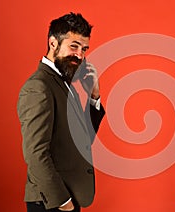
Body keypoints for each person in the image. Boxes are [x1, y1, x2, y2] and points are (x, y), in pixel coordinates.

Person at [17, 12, 105, 212]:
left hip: (67, 197)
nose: (80, 55)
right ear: (53, 43)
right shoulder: (39, 86)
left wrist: (94, 95)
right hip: (52, 201)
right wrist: (63, 202)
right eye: (73, 46)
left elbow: (82, 140)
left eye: (84, 49)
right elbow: (35, 153)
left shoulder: (63, 82)